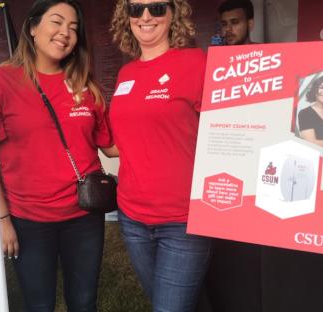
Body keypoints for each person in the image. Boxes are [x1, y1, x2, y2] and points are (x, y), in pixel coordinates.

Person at [0, 1, 114, 311]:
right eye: (56, 22)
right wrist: (3, 220)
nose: (65, 33)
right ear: (32, 27)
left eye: (73, 28)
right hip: (30, 220)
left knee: (84, 302)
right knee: (39, 304)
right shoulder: (0, 82)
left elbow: (111, 146)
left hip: (84, 216)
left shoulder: (85, 84)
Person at [108, 1, 211, 311]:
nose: (146, 17)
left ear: (173, 13)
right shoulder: (126, 73)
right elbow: (119, 141)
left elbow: (232, 130)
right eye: (136, 10)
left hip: (183, 220)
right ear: (126, 18)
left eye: (156, 7)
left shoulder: (197, 63)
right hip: (132, 216)